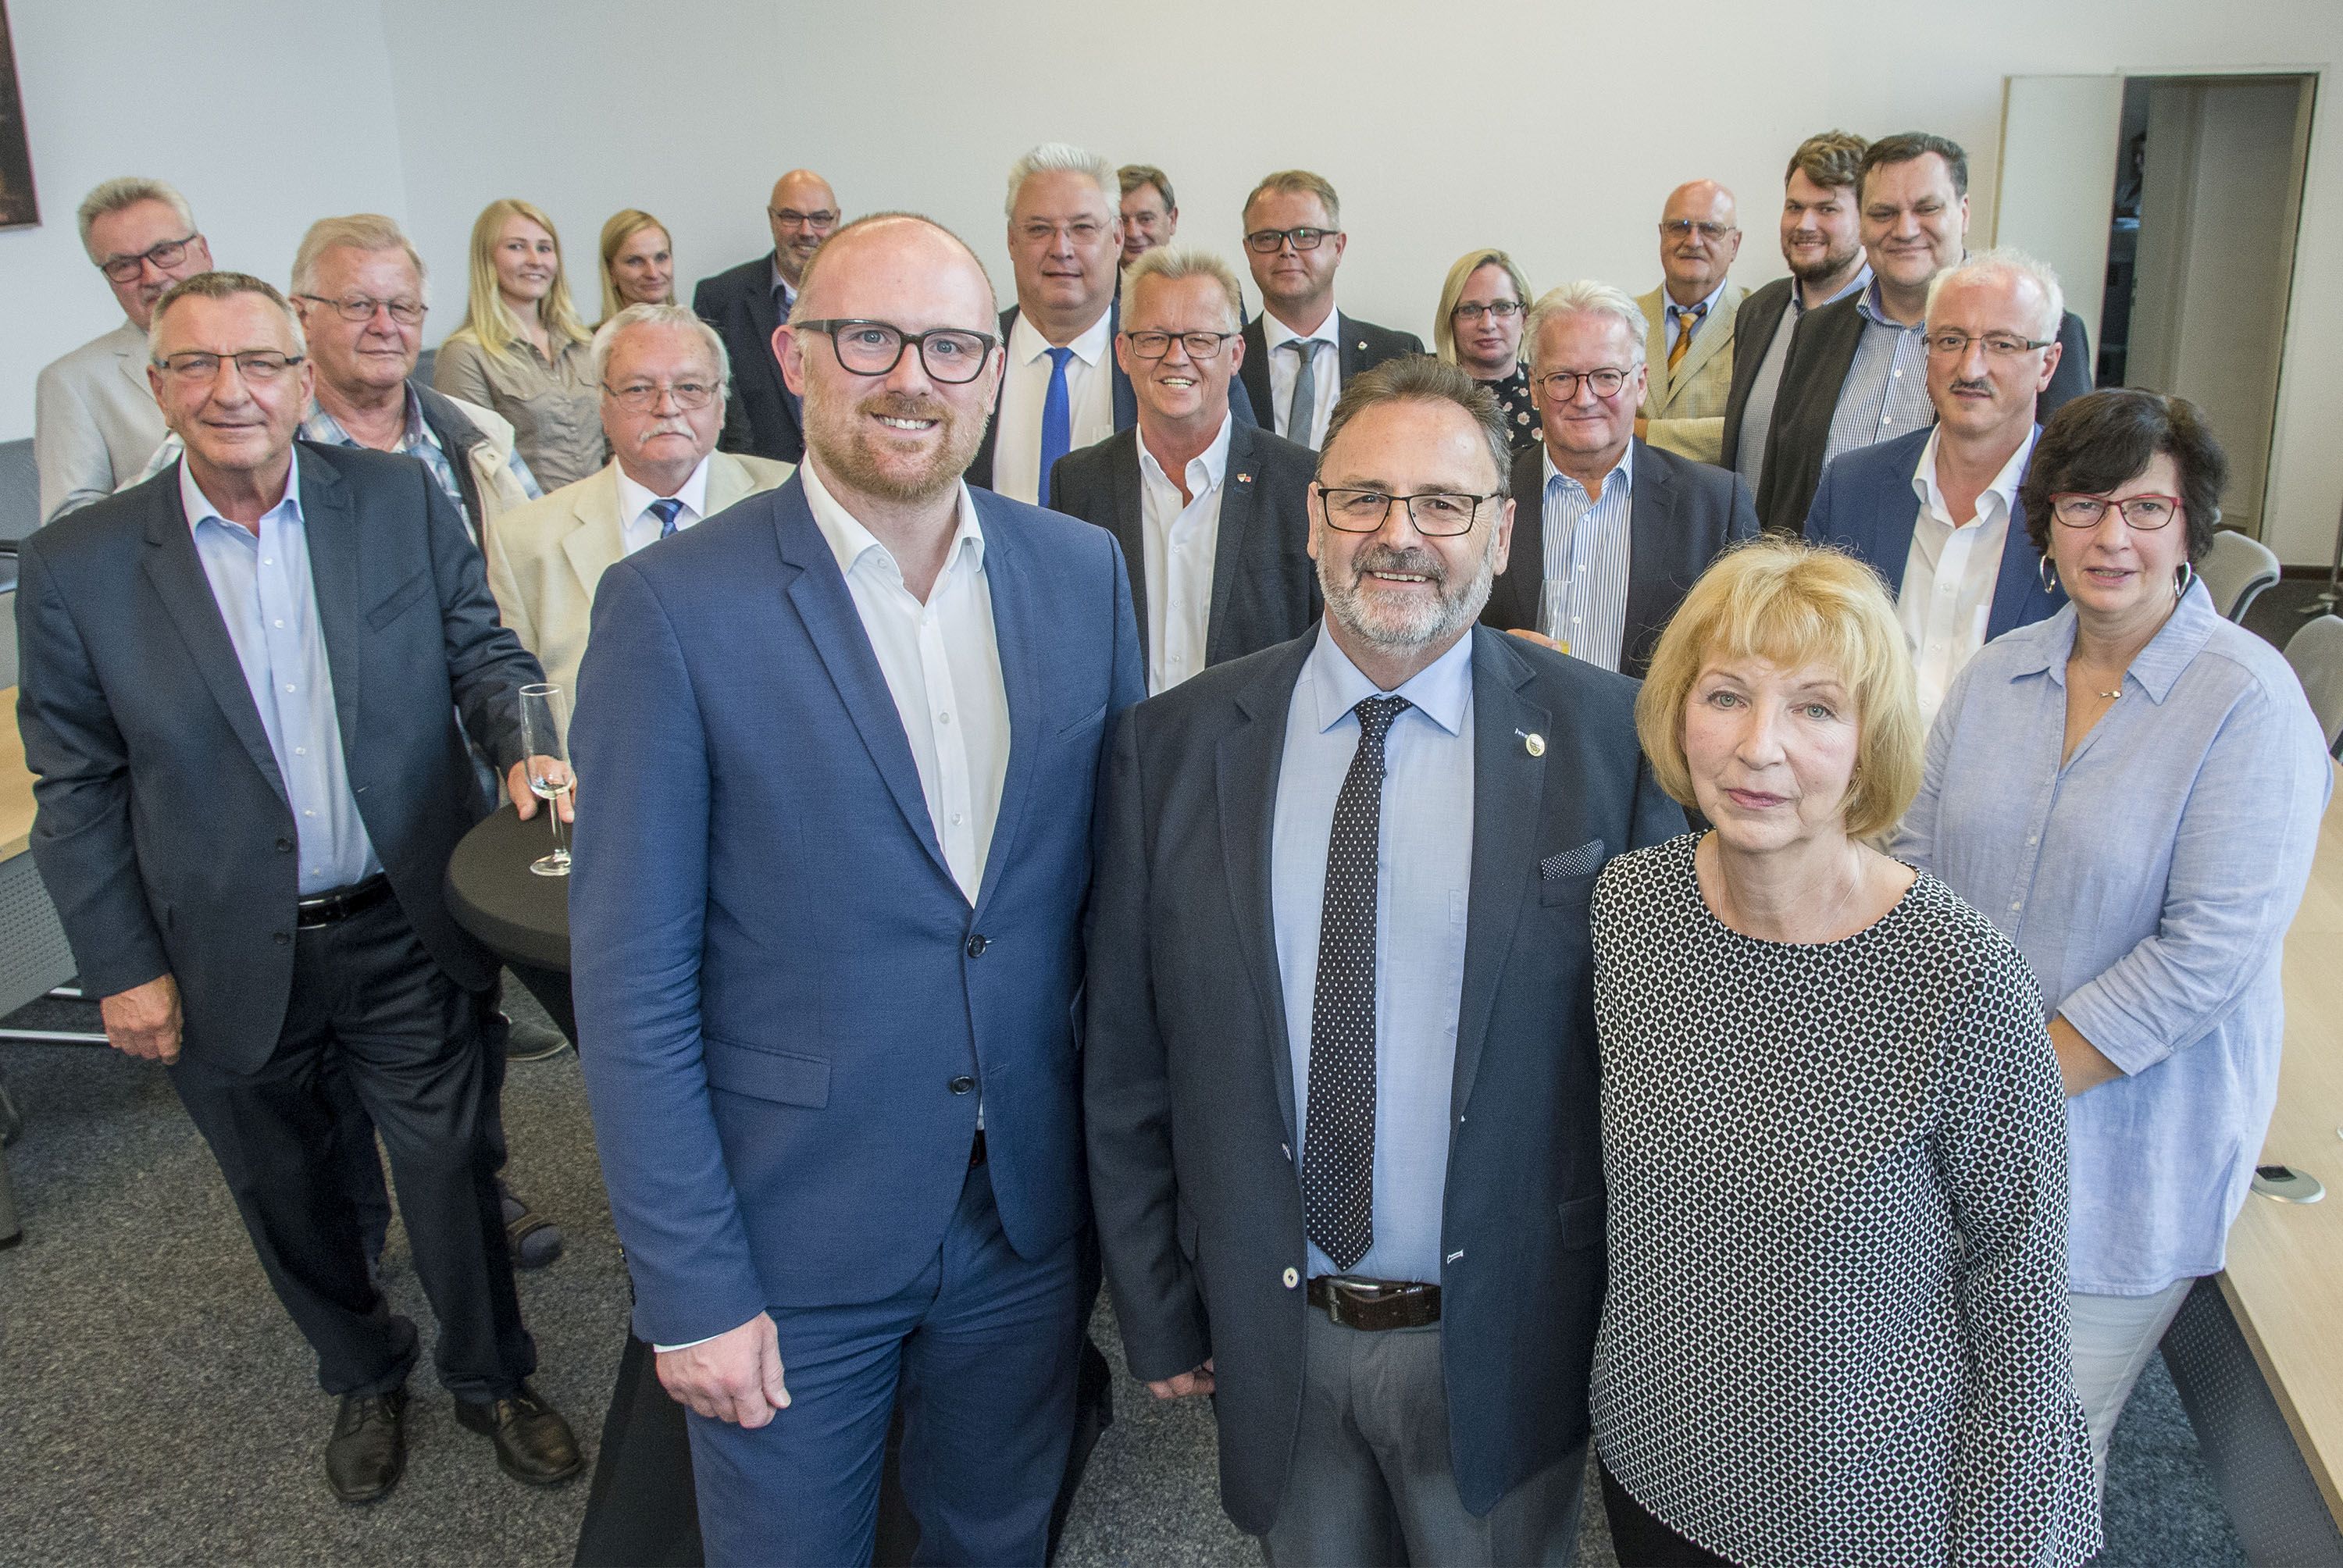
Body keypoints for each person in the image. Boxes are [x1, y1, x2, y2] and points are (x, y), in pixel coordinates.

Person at [569, 212, 1143, 1566]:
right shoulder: (670, 608)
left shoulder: (1079, 573)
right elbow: (630, 982)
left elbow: (1111, 912)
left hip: (1022, 1218)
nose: (912, 378)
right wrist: (689, 1287)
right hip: (789, 1234)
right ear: (795, 355)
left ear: (992, 369)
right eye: (868, 336)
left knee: (998, 1534)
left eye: (950, 344)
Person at [1086, 356, 1683, 1566]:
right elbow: (1128, 1062)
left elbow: (1666, 1075)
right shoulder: (1173, 748)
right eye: (1362, 499)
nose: (1399, 537)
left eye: (1443, 505)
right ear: (1313, 519)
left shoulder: (1613, 741)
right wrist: (1156, 1308)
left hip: (1514, 1331)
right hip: (1274, 1333)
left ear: (1501, 530)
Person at [16, 271, 583, 1506]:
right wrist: (120, 967)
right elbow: (77, 786)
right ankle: (363, 1373)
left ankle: (494, 1378)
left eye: (260, 363)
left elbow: (479, 649)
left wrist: (520, 739)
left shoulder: (391, 501)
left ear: (299, 376)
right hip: (218, 950)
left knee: (448, 1164)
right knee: (290, 1190)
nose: (233, 391)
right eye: (198, 367)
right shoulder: (81, 565)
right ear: (159, 389)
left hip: (401, 924)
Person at [1590, 538, 2101, 1568]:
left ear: (1870, 744)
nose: (1759, 747)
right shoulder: (1629, 909)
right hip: (1654, 1462)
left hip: (1867, 1508)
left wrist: (2006, 1548)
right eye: (1727, 695)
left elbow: (2023, 1300)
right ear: (1678, 712)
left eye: (1816, 709)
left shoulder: (1960, 979)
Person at [1897, 389, 2331, 1491]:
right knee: (1929, 1432)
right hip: (1957, 1135)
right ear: (2044, 521)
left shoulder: (2248, 703)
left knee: (2032, 1466)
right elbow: (1910, 861)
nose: (2113, 538)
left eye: (2146, 509)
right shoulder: (1997, 676)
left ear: (2193, 528)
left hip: (2121, 1164)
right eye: (2085, 506)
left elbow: (2207, 959)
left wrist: (2001, 1084)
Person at [1756, 133, 2093, 533]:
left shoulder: (2042, 334)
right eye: (1883, 213)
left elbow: (2073, 484)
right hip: (1831, 586)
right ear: (1861, 223)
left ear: (1963, 212)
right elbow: (1783, 491)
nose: (1905, 230)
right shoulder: (1816, 329)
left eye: (1926, 209)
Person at [1805, 249, 2070, 725]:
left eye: (2003, 345)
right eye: (1950, 340)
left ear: (2048, 364)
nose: (1971, 368)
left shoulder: (2082, 513)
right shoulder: (1851, 490)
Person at [487, 303, 793, 696]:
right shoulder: (524, 540)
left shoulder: (790, 498)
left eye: (690, 388)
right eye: (638, 389)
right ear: (602, 406)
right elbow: (520, 700)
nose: (666, 408)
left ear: (721, 405)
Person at [1049, 248, 1318, 694]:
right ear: (1123, 352)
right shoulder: (1077, 484)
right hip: (1120, 755)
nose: (1176, 357)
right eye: (1154, 338)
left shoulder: (1300, 483)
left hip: (1251, 758)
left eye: (1200, 339)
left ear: (1235, 355)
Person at [1482, 282, 1757, 678]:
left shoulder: (1715, 505)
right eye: (1562, 378)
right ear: (1535, 388)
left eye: (1607, 376)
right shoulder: (1485, 497)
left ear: (1640, 384)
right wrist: (1492, 653)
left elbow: (1750, 648)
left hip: (1653, 737)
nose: (1584, 397)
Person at [34, 176, 212, 523]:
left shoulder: (286, 344)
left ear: (203, 251)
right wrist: (174, 457)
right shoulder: (71, 381)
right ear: (107, 277)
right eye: (125, 266)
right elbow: (68, 529)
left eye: (164, 252)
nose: (151, 276)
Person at [1719, 132, 1871, 497]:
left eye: (1827, 209)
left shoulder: (1881, 321)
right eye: (1794, 207)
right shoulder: (1759, 311)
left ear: (1866, 218)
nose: (1805, 224)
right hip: (1747, 549)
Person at [1236, 170, 1423, 451]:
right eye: (1267, 238)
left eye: (1305, 235)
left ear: (1338, 247)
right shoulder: (1225, 358)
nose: (1286, 249)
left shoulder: (1396, 354)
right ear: (1248, 251)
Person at [433, 198, 604, 492]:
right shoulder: (464, 355)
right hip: (530, 524)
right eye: (516, 247)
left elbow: (617, 439)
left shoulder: (585, 345)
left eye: (544, 248)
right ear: (487, 258)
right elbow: (478, 469)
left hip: (605, 514)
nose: (535, 260)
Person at [692, 169, 840, 465]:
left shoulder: (866, 298)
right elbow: (718, 411)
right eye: (791, 217)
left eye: (820, 219)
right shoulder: (720, 299)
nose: (806, 231)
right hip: (755, 484)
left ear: (837, 221)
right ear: (772, 219)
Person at [1633, 180, 1743, 465]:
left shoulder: (1758, 321)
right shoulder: (1622, 320)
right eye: (1679, 226)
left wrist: (1644, 432)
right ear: (1661, 235)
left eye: (1710, 229)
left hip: (1717, 503)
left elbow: (1752, 431)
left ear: (1735, 244)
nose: (1693, 240)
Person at [1432, 248, 1539, 450]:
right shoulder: (1425, 393)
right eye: (1470, 310)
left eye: (1503, 307)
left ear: (1525, 316)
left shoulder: (1548, 393)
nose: (1487, 324)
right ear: (1450, 320)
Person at [598, 208, 676, 320]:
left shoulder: (698, 335)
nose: (653, 273)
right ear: (611, 272)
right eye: (635, 261)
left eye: (661, 258)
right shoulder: (596, 338)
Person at [1118, 164, 1179, 264]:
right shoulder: (1090, 279)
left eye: (1146, 219)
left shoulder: (1194, 278)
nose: (1133, 234)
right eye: (1122, 221)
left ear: (1172, 220)